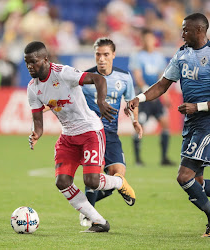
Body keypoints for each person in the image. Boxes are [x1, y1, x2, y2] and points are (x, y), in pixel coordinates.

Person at [125, 13, 210, 238]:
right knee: (197, 183)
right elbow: (163, 84)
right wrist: (140, 98)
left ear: (200, 31)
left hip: (209, 121)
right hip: (192, 122)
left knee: (183, 176)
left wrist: (199, 107)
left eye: (186, 29)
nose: (182, 33)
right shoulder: (182, 54)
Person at [25, 41, 136, 233]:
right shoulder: (33, 88)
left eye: (33, 62)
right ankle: (99, 221)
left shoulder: (62, 73)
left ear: (45, 59)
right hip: (68, 137)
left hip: (90, 131)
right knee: (62, 182)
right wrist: (36, 134)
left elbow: (98, 79)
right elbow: (38, 122)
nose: (29, 67)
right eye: (26, 62)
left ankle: (118, 182)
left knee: (92, 181)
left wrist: (101, 101)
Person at [80, 38, 143, 226]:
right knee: (94, 177)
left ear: (113, 55)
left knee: (117, 178)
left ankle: (85, 207)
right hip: (91, 133)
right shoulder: (85, 77)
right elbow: (68, 99)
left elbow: (131, 101)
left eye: (106, 54)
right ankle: (89, 217)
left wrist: (135, 121)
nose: (101, 59)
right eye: (98, 54)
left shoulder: (124, 77)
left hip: (111, 134)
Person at [128, 28, 174, 166]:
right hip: (143, 96)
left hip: (155, 96)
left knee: (165, 123)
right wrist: (146, 93)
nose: (148, 41)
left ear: (154, 40)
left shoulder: (158, 57)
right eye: (146, 39)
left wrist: (165, 96)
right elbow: (138, 77)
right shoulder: (137, 56)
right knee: (139, 124)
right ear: (142, 40)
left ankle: (164, 158)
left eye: (150, 39)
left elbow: (162, 79)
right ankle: (137, 159)